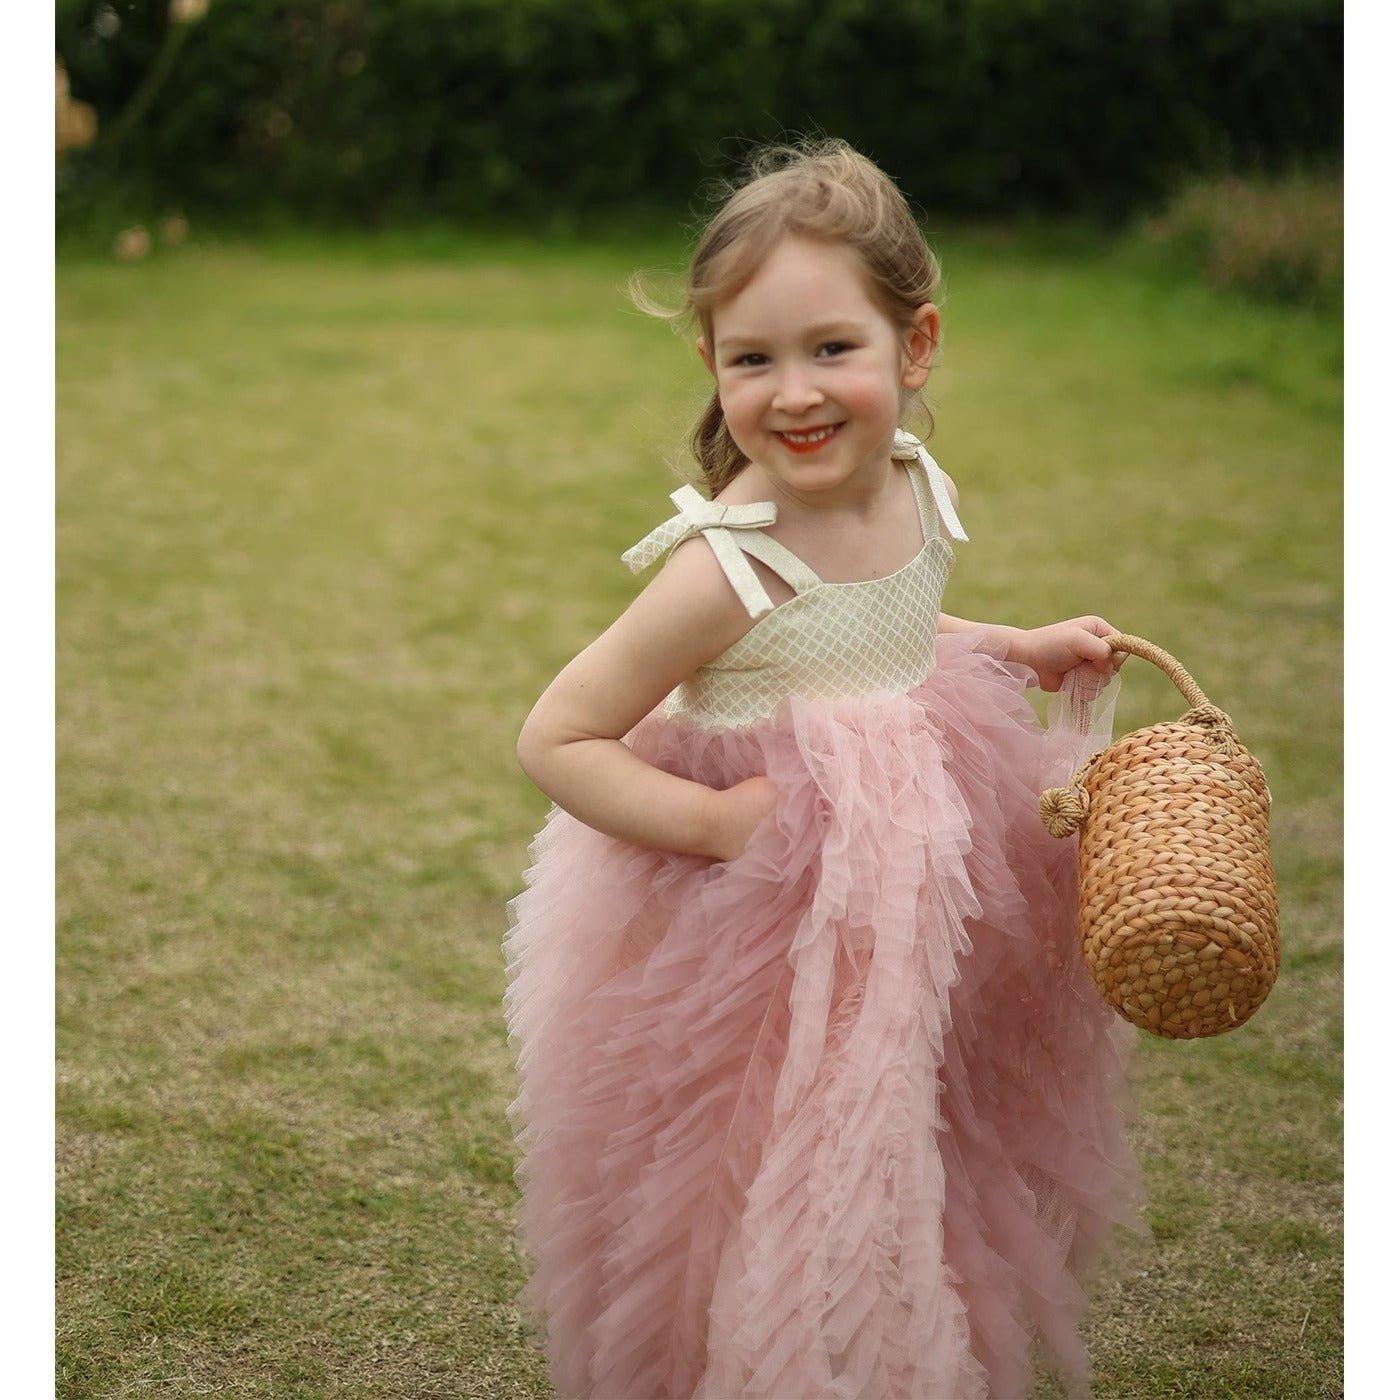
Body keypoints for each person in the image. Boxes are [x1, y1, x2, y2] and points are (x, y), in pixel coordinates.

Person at [503, 139, 1141, 1400]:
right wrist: (721, 822)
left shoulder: (911, 482)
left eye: (829, 349)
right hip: (759, 925)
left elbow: (889, 626)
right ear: (711, 367)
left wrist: (1009, 643)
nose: (792, 392)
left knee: (910, 1109)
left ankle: (892, 1322)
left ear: (914, 347)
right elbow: (557, 735)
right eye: (753, 358)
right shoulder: (729, 565)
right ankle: (765, 1352)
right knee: (763, 1147)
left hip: (904, 874)